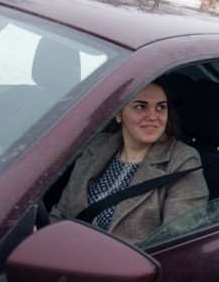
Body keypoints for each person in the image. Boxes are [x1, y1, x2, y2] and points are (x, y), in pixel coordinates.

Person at [49, 79, 209, 244]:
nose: (152, 116)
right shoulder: (97, 146)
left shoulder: (183, 160)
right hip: (65, 250)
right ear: (119, 113)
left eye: (160, 107)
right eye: (141, 107)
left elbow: (175, 241)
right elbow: (61, 214)